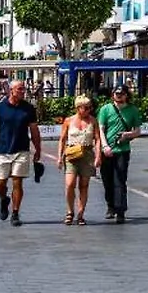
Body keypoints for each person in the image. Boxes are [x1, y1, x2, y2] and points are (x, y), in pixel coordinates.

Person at [0, 79, 43, 228]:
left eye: (23, 89)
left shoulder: (28, 108)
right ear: (11, 90)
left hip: (21, 149)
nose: (23, 91)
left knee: (17, 181)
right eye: (20, 89)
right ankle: (4, 199)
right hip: (2, 150)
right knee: (0, 183)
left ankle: (15, 213)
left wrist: (38, 149)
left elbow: (34, 130)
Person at [97, 85, 143, 223]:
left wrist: (127, 135)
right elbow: (101, 129)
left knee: (120, 180)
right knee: (107, 180)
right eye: (116, 94)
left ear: (126, 95)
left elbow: (138, 131)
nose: (118, 96)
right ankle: (110, 206)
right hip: (107, 150)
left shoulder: (133, 110)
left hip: (122, 150)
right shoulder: (106, 109)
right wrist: (105, 146)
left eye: (121, 94)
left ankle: (120, 210)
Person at [59, 95, 101, 225]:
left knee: (84, 185)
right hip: (71, 154)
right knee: (70, 184)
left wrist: (98, 156)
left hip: (87, 153)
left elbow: (97, 139)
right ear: (78, 108)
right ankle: (70, 211)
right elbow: (62, 139)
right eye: (86, 108)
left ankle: (81, 213)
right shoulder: (68, 121)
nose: (89, 110)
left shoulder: (93, 121)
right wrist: (59, 156)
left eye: (90, 108)